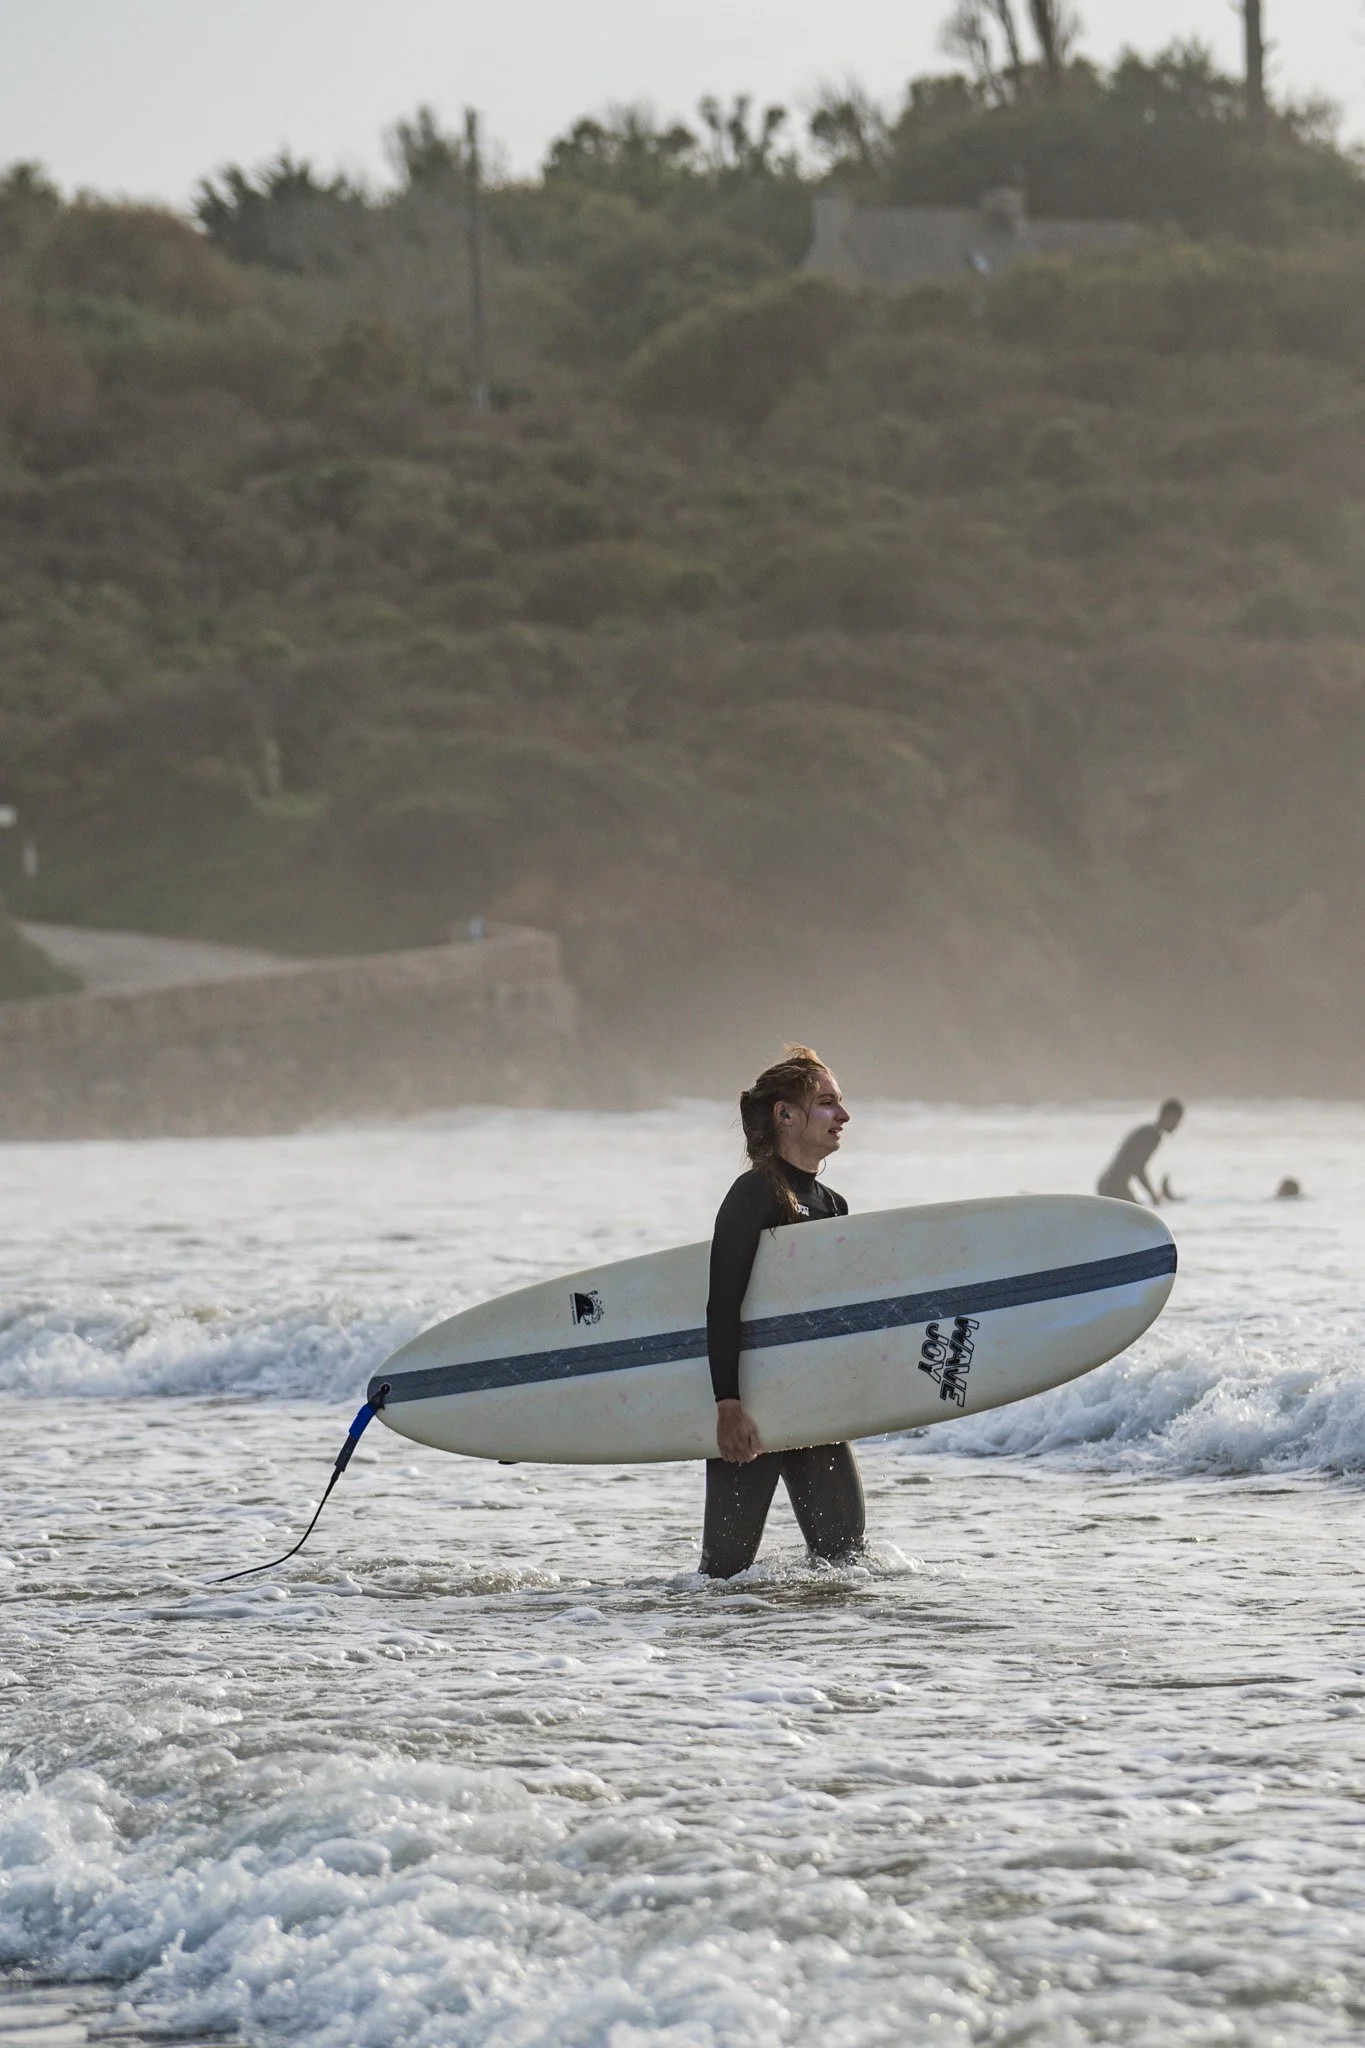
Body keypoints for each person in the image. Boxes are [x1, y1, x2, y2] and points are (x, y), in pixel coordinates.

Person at [700, 1046, 866, 1579]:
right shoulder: (753, 1195)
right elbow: (722, 1303)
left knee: (847, 1569)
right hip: (752, 1409)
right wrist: (728, 1407)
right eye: (828, 1102)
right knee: (723, 1579)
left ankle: (817, 1638)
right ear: (785, 1114)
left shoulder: (834, 1206)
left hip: (814, 1405)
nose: (844, 1115)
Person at [1097, 1099, 1184, 1204]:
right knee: (1138, 1212)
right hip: (1113, 1186)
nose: (1177, 1125)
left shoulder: (1148, 1131)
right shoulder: (1151, 1135)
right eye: (1176, 1120)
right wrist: (1152, 1194)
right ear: (1166, 1116)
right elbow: (1138, 1168)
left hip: (1110, 1183)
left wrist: (1152, 1194)